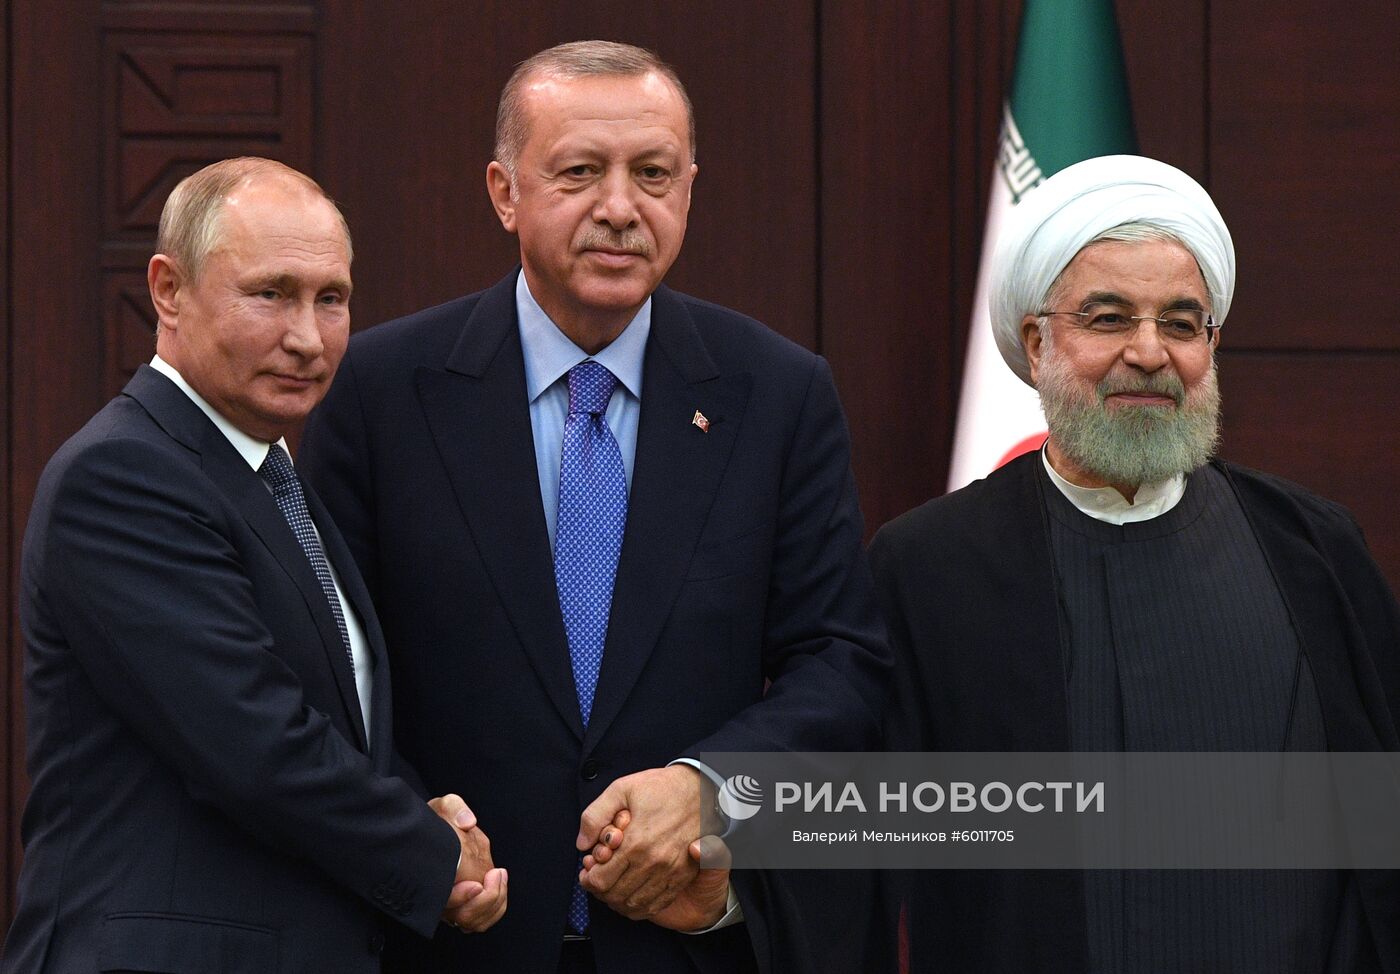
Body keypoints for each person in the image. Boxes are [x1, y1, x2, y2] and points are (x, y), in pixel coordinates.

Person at [298, 40, 891, 973]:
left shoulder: (778, 394)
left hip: (682, 942)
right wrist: (412, 829)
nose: (620, 207)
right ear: (505, 193)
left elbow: (841, 662)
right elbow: (329, 670)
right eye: (579, 172)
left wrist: (711, 790)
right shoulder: (379, 392)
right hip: (452, 943)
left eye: (653, 174)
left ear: (689, 190)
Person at [870, 154, 1400, 972]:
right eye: (1109, 318)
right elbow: (859, 844)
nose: (1149, 353)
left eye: (1182, 324)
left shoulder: (1314, 553)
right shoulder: (928, 567)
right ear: (1038, 343)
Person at [1, 158, 508, 974]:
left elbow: (336, 727)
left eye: (331, 298)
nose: (307, 338)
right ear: (168, 290)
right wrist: (433, 854)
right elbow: (255, 744)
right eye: (270, 294)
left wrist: (425, 812)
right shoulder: (123, 476)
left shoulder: (269, 476)